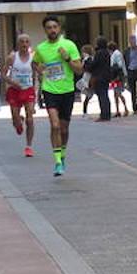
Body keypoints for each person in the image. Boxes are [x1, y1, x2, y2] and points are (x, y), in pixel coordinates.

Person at [32, 15, 83, 177]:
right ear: (45, 30)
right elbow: (35, 62)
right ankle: (58, 162)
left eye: (55, 27)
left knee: (64, 129)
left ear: (59, 28)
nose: (52, 30)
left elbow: (79, 69)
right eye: (49, 27)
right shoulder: (41, 48)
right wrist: (38, 69)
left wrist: (67, 58)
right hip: (50, 90)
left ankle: (63, 155)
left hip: (67, 91)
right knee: (54, 126)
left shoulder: (69, 45)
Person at [4, 33, 37, 157]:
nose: (24, 44)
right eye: (22, 41)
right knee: (15, 119)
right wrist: (13, 82)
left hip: (28, 89)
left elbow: (36, 76)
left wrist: (36, 94)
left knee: (30, 119)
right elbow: (3, 74)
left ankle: (29, 147)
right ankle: (18, 121)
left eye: (26, 41)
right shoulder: (12, 57)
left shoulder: (33, 58)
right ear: (18, 44)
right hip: (14, 90)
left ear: (29, 44)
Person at [88, 37, 113, 122]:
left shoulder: (99, 53)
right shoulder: (107, 53)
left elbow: (94, 64)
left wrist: (88, 64)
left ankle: (104, 115)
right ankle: (107, 114)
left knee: (102, 96)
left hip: (99, 77)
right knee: (105, 95)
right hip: (106, 77)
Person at [109, 41, 130, 118]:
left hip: (118, 77)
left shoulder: (116, 54)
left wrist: (117, 75)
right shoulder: (115, 54)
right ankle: (117, 110)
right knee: (115, 93)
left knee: (118, 92)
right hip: (115, 77)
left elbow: (119, 65)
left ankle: (126, 109)